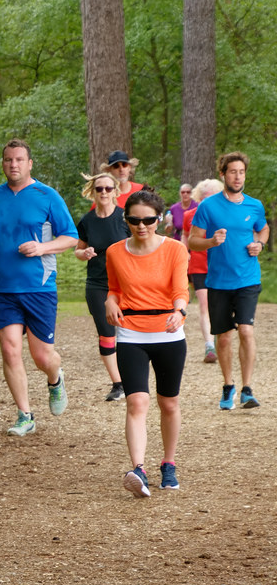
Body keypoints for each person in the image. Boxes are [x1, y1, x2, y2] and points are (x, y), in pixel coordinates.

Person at [0, 138, 79, 436]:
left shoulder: (47, 195)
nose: (13, 165)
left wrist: (43, 247)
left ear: (29, 163)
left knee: (42, 357)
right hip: (4, 288)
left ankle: (55, 378)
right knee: (9, 350)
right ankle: (25, 415)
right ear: (3, 163)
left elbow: (70, 238)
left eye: (19, 159)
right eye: (8, 160)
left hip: (39, 287)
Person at [105, 189, 189, 497]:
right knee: (136, 401)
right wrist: (109, 302)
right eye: (134, 220)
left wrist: (180, 310)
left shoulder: (175, 250)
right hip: (130, 334)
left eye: (149, 220)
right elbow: (114, 288)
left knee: (168, 403)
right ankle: (138, 469)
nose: (142, 226)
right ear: (126, 219)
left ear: (161, 219)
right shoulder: (115, 251)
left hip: (168, 333)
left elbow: (181, 289)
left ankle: (168, 463)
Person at [188, 152, 270, 410]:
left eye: (242, 172)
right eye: (233, 172)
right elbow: (193, 240)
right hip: (219, 281)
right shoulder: (208, 206)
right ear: (223, 174)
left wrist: (260, 243)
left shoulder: (254, 205)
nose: (238, 176)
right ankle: (228, 385)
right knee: (223, 338)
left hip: (247, 278)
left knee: (246, 330)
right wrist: (211, 242)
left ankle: (247, 389)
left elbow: (264, 227)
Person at [74, 172, 129, 402]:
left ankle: (133, 377)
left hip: (126, 283)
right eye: (99, 189)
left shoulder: (126, 218)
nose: (104, 192)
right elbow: (77, 250)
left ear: (115, 191)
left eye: (108, 188)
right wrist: (84, 254)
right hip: (97, 284)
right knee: (106, 333)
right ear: (93, 193)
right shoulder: (87, 221)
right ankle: (118, 384)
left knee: (128, 332)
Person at [181, 178, 223, 364]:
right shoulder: (190, 215)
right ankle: (209, 345)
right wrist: (184, 253)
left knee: (221, 306)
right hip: (199, 265)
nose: (208, 200)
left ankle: (222, 340)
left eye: (212, 196)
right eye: (204, 196)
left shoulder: (225, 213)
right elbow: (184, 234)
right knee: (205, 306)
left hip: (222, 265)